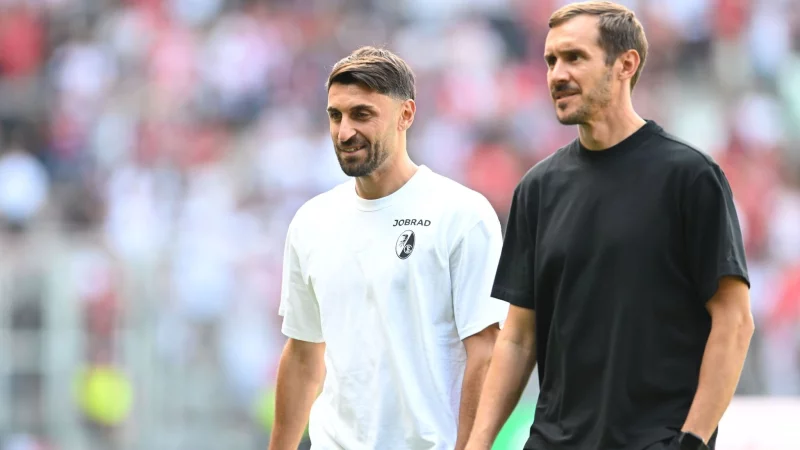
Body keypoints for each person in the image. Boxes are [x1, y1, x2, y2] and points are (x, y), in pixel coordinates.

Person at [464, 2, 754, 450]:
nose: (557, 74)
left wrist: (692, 441)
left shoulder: (689, 176)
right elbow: (519, 338)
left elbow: (734, 321)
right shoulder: (537, 189)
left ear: (625, 64)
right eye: (550, 61)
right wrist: (478, 444)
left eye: (574, 57)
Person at [269, 46, 509, 450]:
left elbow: (486, 353)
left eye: (362, 114)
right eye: (335, 116)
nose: (345, 132)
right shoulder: (312, 221)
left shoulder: (462, 215)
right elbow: (302, 354)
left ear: (406, 115)